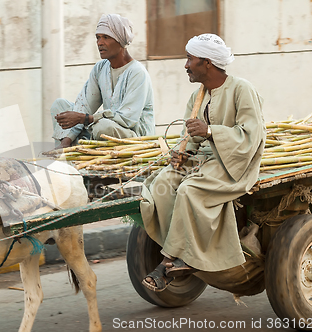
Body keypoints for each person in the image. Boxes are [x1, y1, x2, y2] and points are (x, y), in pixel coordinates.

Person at [139, 33, 265, 292]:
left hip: (234, 164)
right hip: (203, 160)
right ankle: (182, 249)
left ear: (207, 63)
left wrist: (210, 132)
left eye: (190, 59)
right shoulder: (197, 96)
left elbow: (251, 136)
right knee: (162, 184)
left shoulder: (242, 89)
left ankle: (167, 263)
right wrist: (183, 153)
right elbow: (192, 138)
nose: (186, 65)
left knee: (189, 190)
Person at [51, 14, 155, 148]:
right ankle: (65, 152)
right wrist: (66, 140)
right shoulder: (100, 68)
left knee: (102, 126)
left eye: (106, 37)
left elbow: (127, 119)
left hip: (134, 137)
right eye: (98, 37)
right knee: (60, 106)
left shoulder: (137, 72)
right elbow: (83, 106)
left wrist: (86, 119)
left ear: (120, 40)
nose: (100, 43)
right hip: (104, 131)